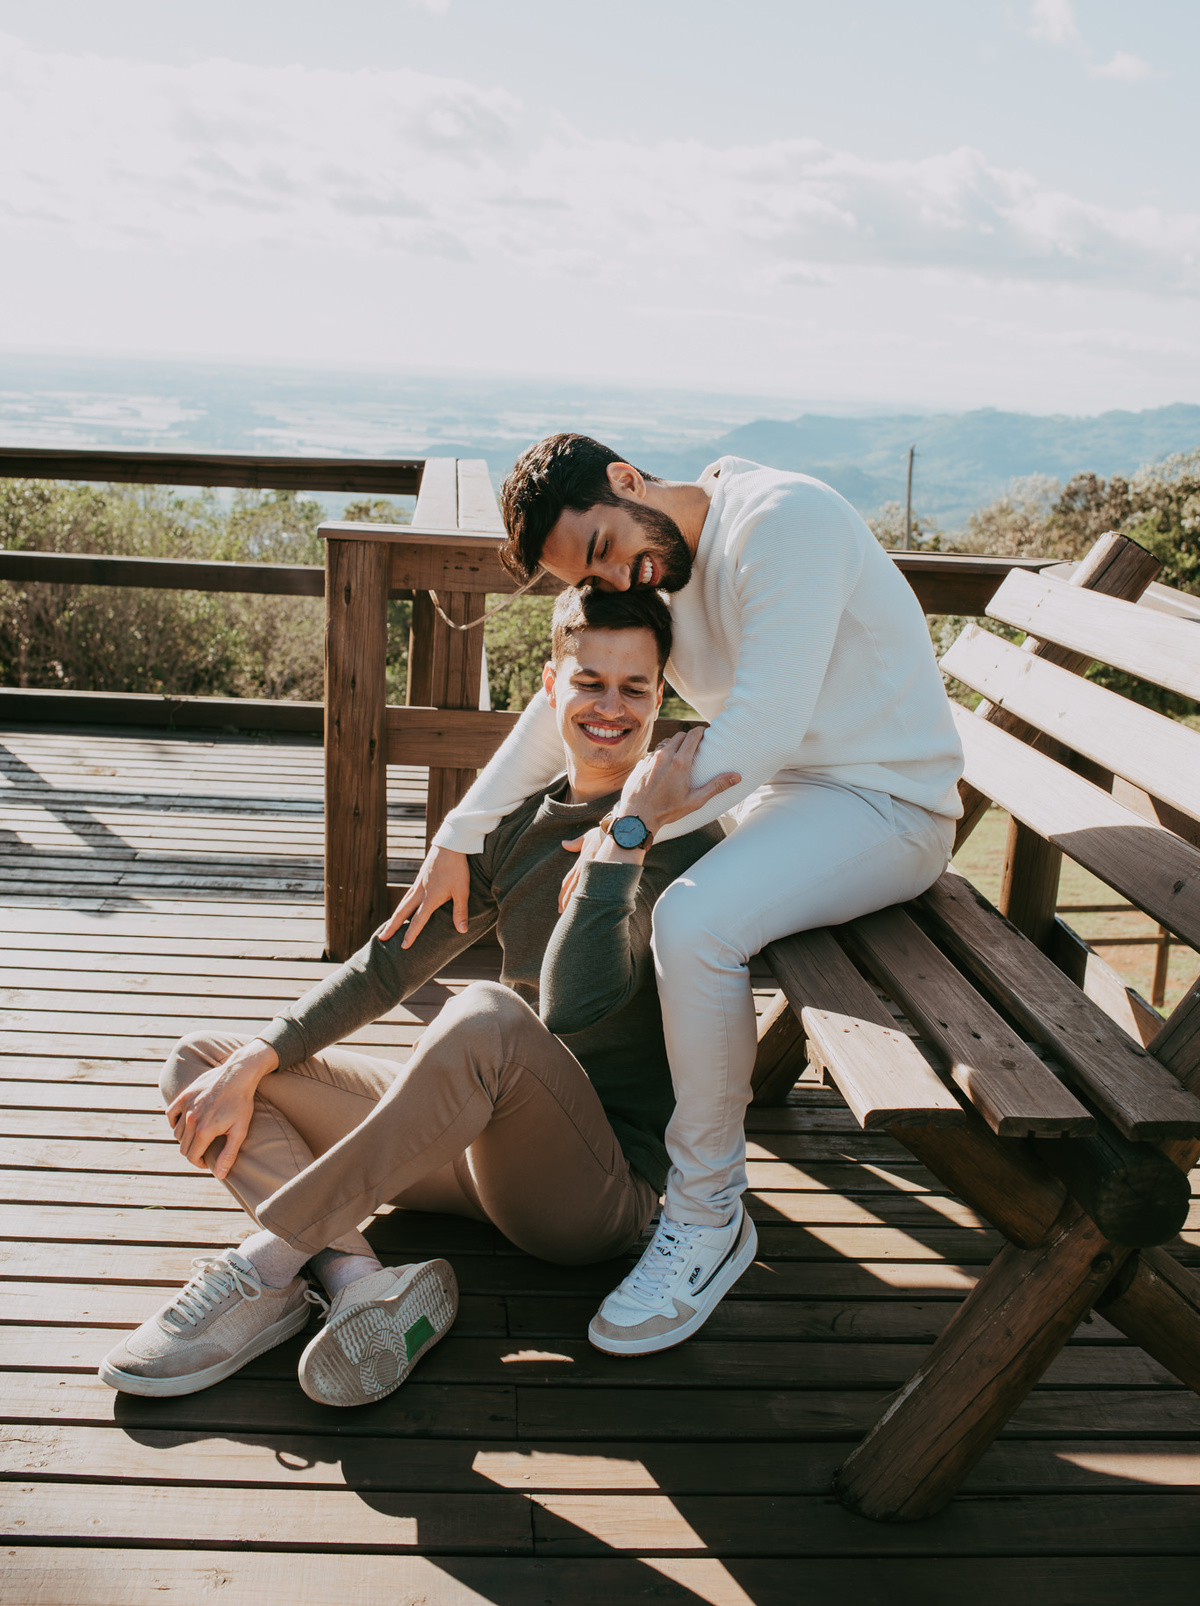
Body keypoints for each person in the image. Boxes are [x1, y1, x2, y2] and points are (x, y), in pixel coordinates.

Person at [390, 433, 964, 1355]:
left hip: (887, 805)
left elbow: (767, 724)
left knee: (690, 919)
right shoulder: (652, 574)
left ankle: (707, 1214)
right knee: (669, 914)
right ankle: (637, 1149)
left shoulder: (786, 520)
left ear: (627, 480)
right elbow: (554, 712)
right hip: (790, 798)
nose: (621, 579)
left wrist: (629, 828)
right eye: (594, 574)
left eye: (610, 548)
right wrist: (459, 836)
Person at [98, 584, 739, 1405]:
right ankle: (361, 1282)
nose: (609, 707)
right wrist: (259, 1055)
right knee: (206, 1064)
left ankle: (268, 1262)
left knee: (487, 1017)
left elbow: (578, 1003)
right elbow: (388, 967)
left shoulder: (678, 833)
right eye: (589, 681)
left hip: (596, 1192)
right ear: (551, 686)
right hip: (477, 1160)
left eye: (635, 687)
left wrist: (625, 839)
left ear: (661, 698)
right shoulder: (518, 826)